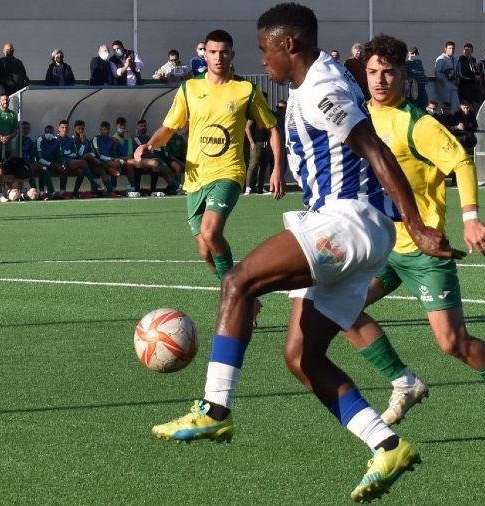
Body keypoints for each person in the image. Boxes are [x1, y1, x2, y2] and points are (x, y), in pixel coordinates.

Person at [148, 6, 456, 503]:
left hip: (347, 221)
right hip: (355, 229)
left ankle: (214, 409)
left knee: (237, 280)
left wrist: (417, 226)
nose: (261, 59)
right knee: (301, 356)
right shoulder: (318, 81)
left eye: (265, 48)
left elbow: (376, 150)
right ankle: (387, 445)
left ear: (288, 44)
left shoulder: (320, 92)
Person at [346, 34, 485, 445]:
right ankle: (403, 382)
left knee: (453, 343)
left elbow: (461, 162)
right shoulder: (358, 117)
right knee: (340, 309)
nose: (380, 80)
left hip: (423, 249)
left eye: (388, 73)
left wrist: (471, 218)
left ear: (402, 75)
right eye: (373, 73)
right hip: (379, 247)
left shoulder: (418, 123)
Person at [134, 28, 283, 288]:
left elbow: (272, 128)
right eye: (212, 52)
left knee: (211, 232)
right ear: (205, 54)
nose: (218, 57)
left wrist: (278, 168)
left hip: (228, 172)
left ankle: (235, 296)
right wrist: (149, 144)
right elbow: (169, 128)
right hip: (195, 178)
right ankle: (240, 294)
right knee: (205, 250)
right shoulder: (190, 88)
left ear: (231, 55)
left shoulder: (245, 90)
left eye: (223, 52)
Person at [244, 94, 272, 194]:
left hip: (267, 144)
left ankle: (260, 188)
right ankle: (248, 188)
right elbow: (247, 127)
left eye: (265, 99)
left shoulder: (269, 112)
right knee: (253, 165)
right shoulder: (254, 112)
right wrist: (252, 142)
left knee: (263, 166)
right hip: (256, 143)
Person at [434, 41, 459, 109]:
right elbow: (437, 71)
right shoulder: (441, 59)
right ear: (445, 49)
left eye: (453, 48)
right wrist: (442, 82)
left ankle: (452, 118)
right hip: (444, 84)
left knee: (455, 103)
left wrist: (457, 79)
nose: (451, 50)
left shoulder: (455, 60)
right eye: (449, 48)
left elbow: (456, 72)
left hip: (453, 84)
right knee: (446, 104)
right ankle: (444, 118)